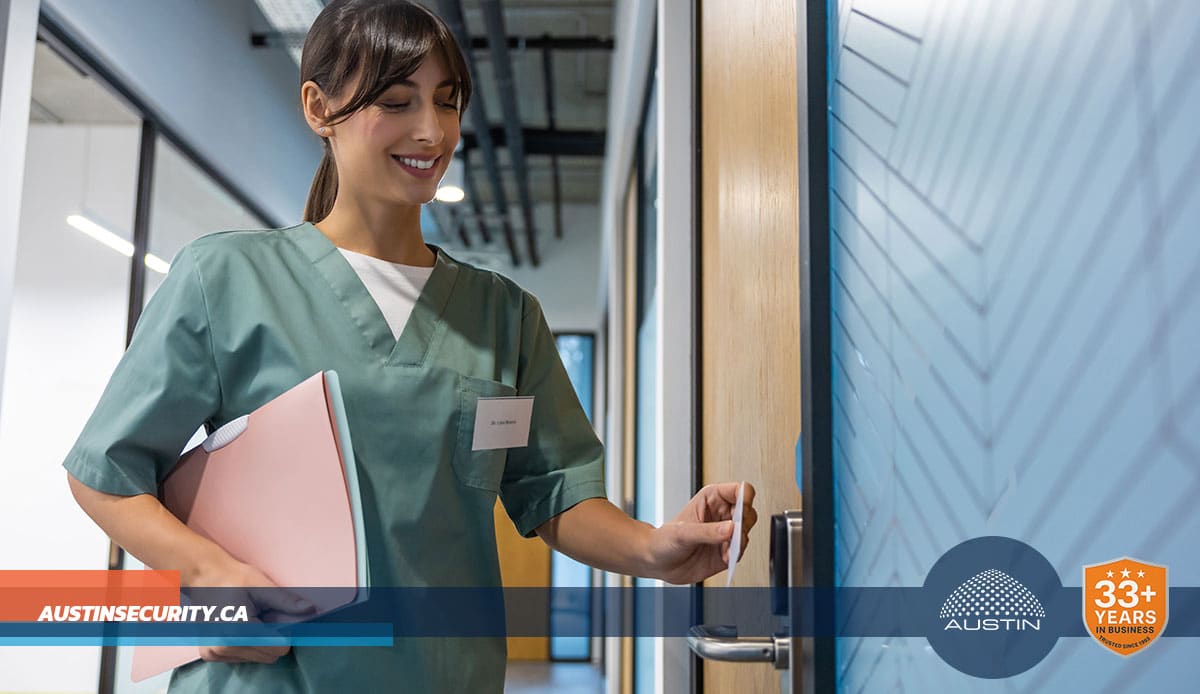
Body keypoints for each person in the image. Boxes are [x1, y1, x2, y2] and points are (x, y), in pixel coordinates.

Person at [64, 0, 757, 691]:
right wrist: (210, 575)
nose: (432, 131)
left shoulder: (502, 316)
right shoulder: (227, 280)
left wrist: (654, 548)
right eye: (396, 102)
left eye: (447, 102)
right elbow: (106, 473)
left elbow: (554, 493)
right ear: (318, 107)